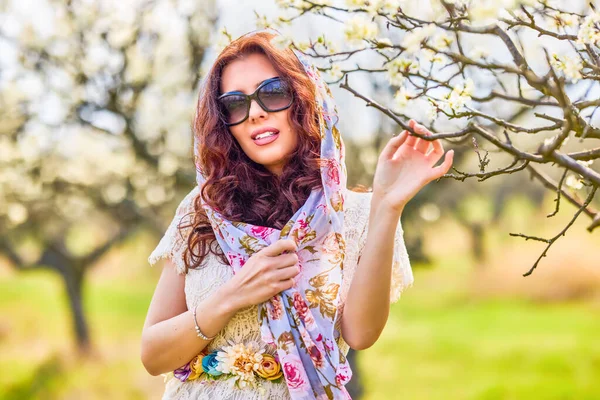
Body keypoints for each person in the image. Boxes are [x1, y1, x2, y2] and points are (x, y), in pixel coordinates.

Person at [141, 29, 454, 400]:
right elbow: (153, 355)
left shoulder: (351, 215)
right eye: (235, 104)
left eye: (272, 93)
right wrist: (231, 296)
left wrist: (387, 206)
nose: (255, 113)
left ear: (305, 101)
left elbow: (361, 333)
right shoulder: (204, 210)